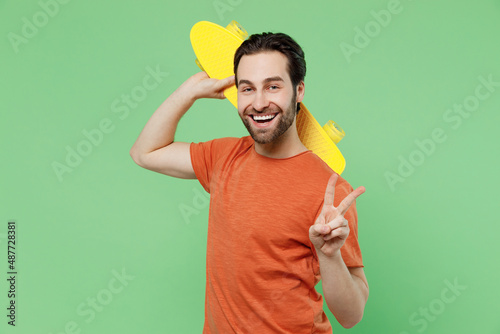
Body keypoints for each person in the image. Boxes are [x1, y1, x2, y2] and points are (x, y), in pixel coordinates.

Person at [130, 32, 368, 333]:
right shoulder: (223, 156)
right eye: (247, 89)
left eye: (273, 86)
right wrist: (188, 92)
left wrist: (329, 255)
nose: (258, 103)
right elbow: (144, 152)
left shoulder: (331, 191)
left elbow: (351, 315)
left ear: (299, 90)